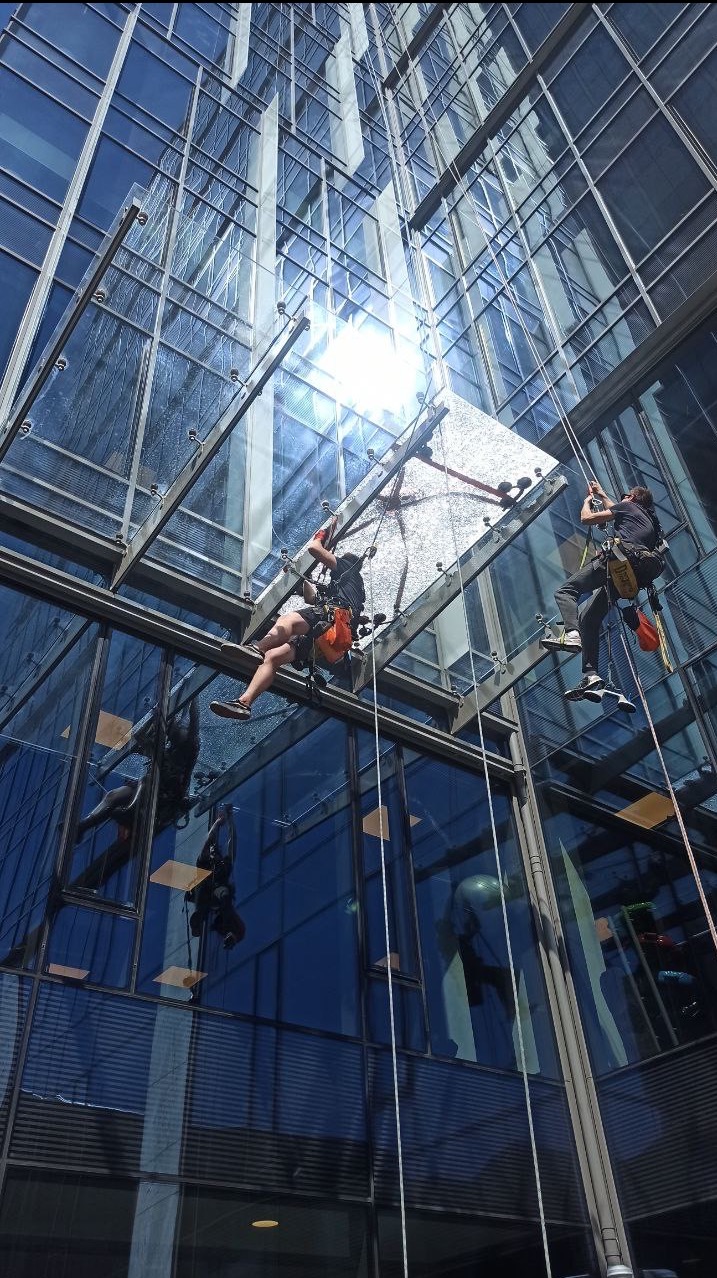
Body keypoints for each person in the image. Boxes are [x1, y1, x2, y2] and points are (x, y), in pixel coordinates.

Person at [209, 532, 374, 721]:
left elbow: (314, 549)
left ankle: (257, 648)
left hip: (330, 620)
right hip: (327, 639)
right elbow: (311, 598)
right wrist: (306, 578)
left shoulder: (348, 569)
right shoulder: (349, 590)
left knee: (287, 621)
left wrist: (321, 536)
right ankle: (244, 703)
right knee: (273, 657)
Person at [543, 481, 664, 700]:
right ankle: (592, 675)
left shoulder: (627, 507)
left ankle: (571, 634)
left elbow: (586, 519)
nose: (622, 498)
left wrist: (588, 502)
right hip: (629, 575)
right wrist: (602, 494)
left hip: (617, 560)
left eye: (625, 495)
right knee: (589, 619)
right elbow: (617, 509)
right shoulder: (648, 521)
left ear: (633, 498)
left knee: (566, 591)